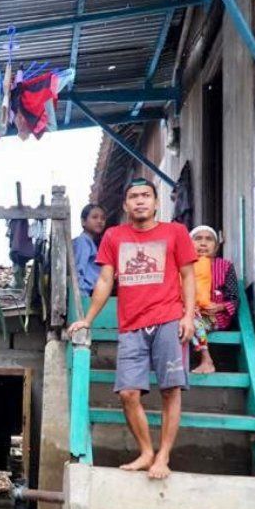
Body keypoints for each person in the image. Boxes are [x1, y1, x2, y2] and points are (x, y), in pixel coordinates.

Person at [67, 178, 196, 479]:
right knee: (127, 393)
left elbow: (188, 276)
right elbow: (104, 280)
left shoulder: (175, 232)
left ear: (155, 202)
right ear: (125, 205)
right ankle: (146, 451)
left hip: (168, 319)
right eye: (134, 197)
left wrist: (188, 316)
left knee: (170, 390)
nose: (140, 201)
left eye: (146, 196)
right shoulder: (114, 236)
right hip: (131, 324)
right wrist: (88, 319)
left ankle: (163, 455)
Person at [187, 225, 238, 374]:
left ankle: (206, 360)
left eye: (208, 239)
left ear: (215, 247)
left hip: (214, 316)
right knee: (182, 320)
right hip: (188, 312)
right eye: (198, 239)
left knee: (192, 321)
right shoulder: (184, 266)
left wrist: (220, 307)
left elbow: (234, 297)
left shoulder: (225, 266)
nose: (203, 243)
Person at [72, 204, 106, 298]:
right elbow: (78, 271)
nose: (99, 221)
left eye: (103, 218)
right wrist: (82, 296)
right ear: (83, 222)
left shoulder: (92, 243)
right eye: (94, 217)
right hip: (85, 293)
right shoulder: (83, 241)